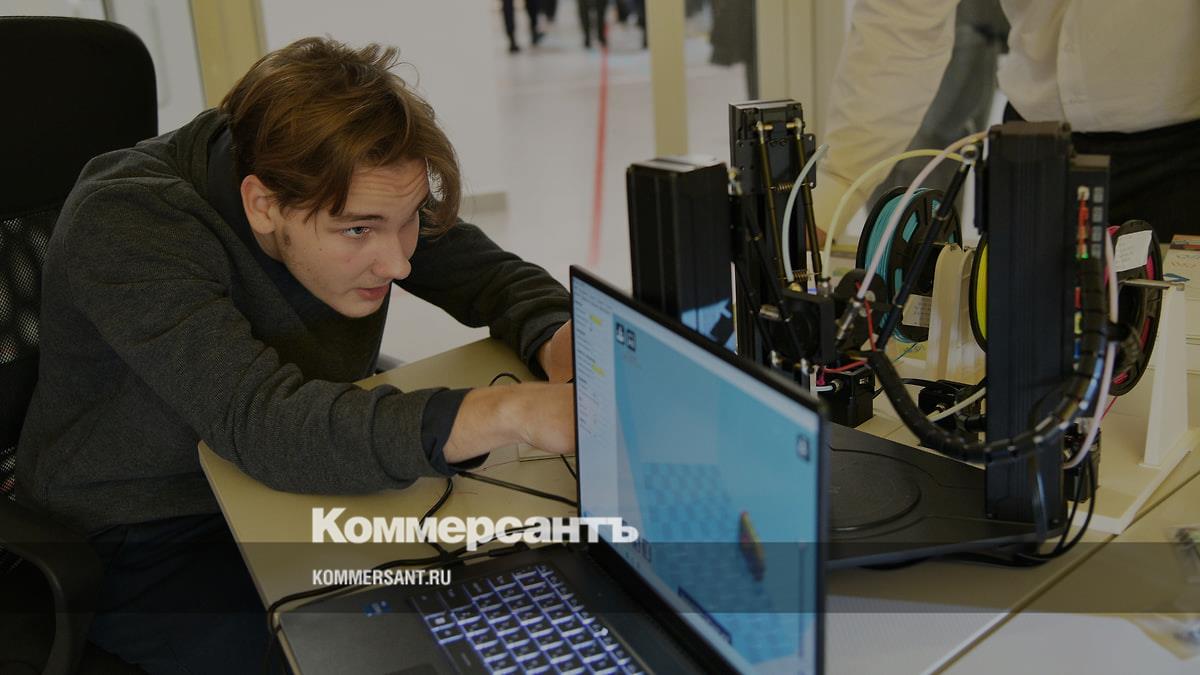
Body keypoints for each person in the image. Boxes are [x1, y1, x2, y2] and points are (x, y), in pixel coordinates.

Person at [16, 36, 575, 673]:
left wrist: (558, 336)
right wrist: (508, 412)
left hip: (278, 488)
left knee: (498, 591)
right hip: (145, 532)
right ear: (263, 205)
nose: (398, 262)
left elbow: (495, 279)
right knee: (369, 654)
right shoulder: (127, 223)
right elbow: (266, 424)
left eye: (410, 219)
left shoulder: (340, 184)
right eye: (358, 230)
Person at [815, 0, 1200, 244]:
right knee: (1003, 334)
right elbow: (901, 25)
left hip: (1178, 158)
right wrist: (836, 190)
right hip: (1030, 149)